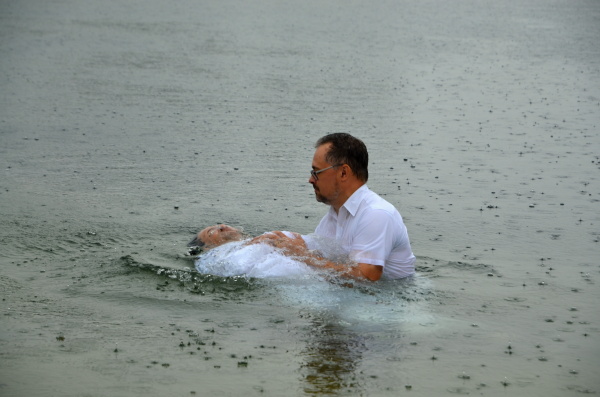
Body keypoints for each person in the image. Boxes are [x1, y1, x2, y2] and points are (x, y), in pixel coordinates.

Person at [261, 133, 415, 281]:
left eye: (316, 172)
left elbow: (367, 277)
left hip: (390, 302)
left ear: (343, 173)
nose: (310, 180)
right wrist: (272, 241)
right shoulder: (336, 214)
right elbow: (320, 251)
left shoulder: (376, 214)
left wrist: (303, 256)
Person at [188, 224, 347, 278]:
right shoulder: (214, 256)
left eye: (220, 224)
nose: (221, 227)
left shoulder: (263, 237)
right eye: (211, 232)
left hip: (317, 273)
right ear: (207, 247)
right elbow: (231, 267)